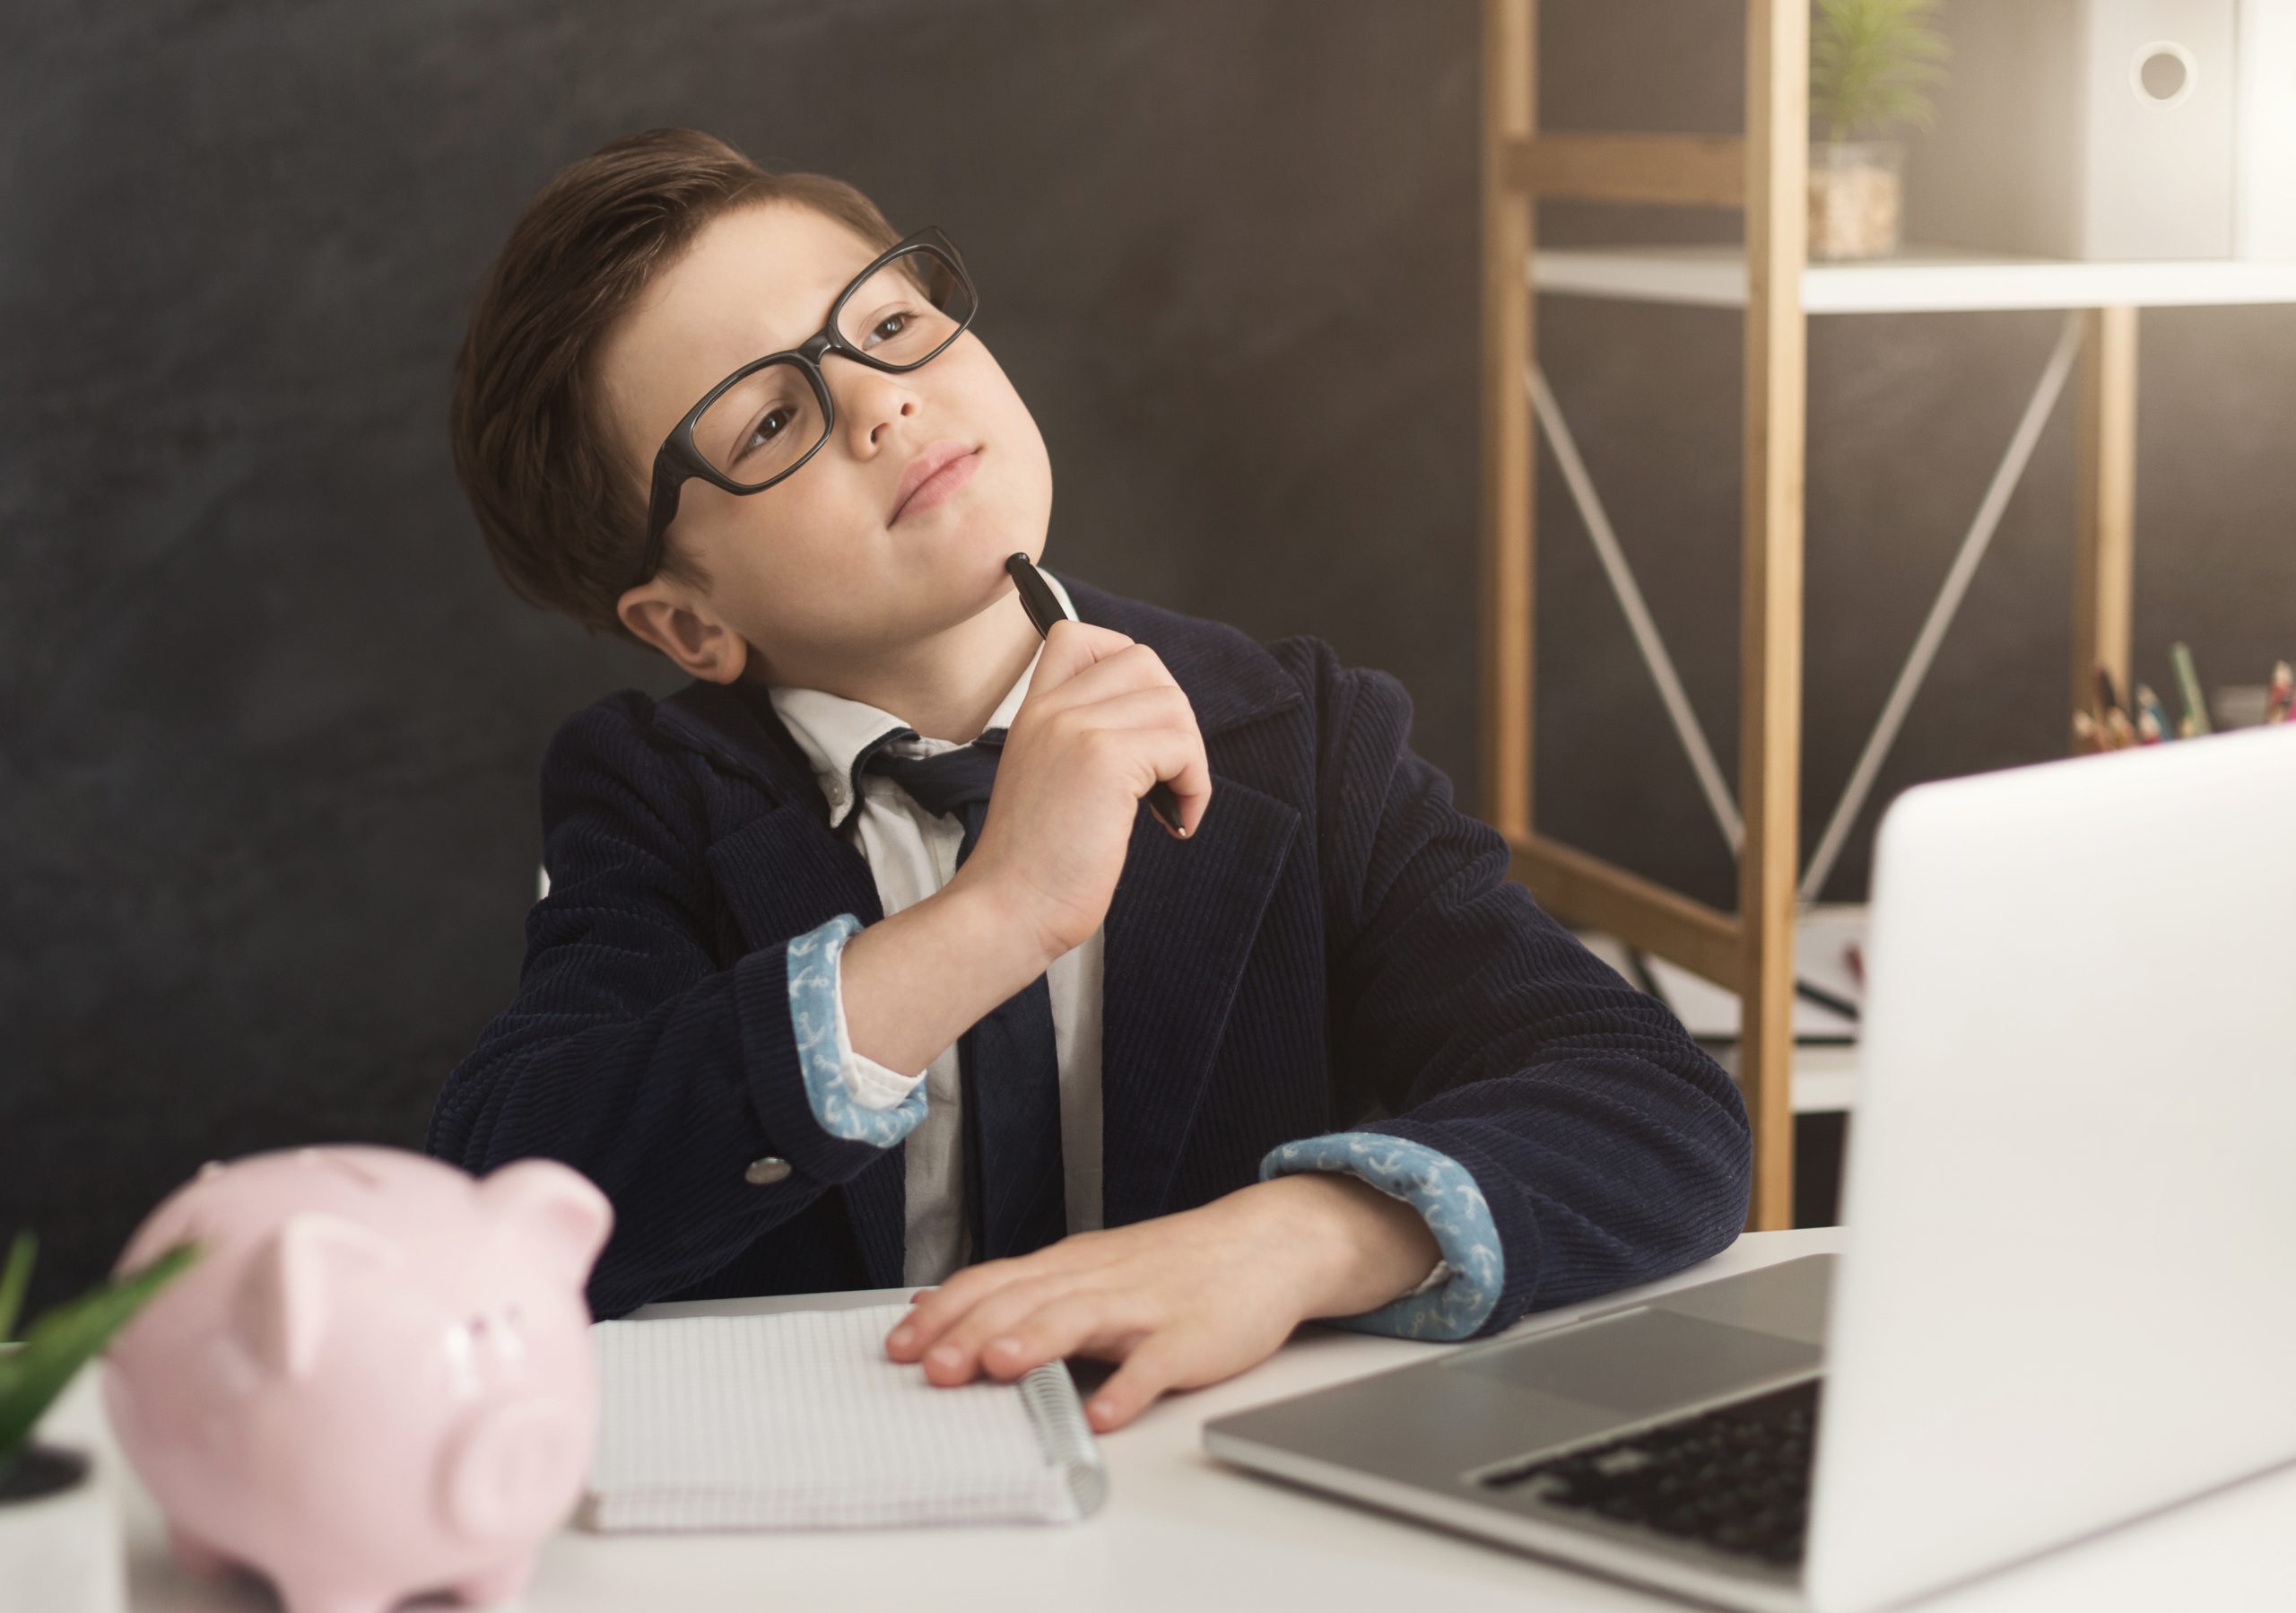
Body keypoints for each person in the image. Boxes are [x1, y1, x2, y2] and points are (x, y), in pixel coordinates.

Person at [429, 126, 1752, 1434]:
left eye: (887, 328)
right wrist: (997, 912)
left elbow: (1656, 1108)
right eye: (770, 417)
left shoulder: (1300, 732)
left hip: (1219, 1492)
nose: (880, 402)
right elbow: (512, 1194)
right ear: (689, 626)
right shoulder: (653, 791)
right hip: (837, 1505)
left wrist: (1293, 1240)